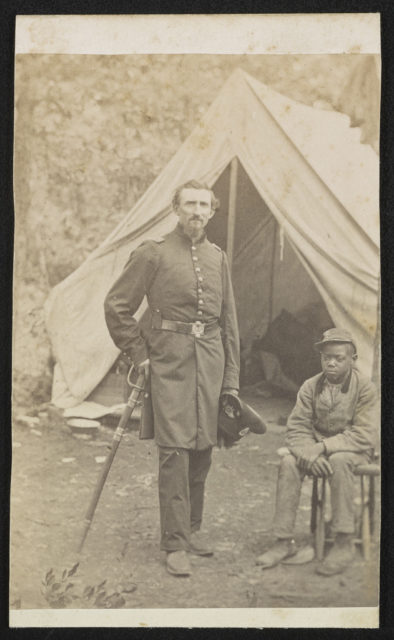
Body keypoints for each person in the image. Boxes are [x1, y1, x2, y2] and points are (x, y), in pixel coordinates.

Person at [104, 179, 240, 576]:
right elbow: (117, 307)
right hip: (169, 363)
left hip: (211, 361)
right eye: (189, 204)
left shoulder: (218, 257)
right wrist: (141, 356)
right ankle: (174, 543)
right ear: (175, 210)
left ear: (212, 211)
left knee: (203, 448)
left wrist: (230, 378)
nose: (197, 211)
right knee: (175, 452)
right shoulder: (153, 253)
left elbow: (228, 322)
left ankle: (192, 530)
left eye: (203, 205)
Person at [256, 328, 379, 576]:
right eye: (326, 358)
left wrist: (321, 449)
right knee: (289, 462)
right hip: (313, 450)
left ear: (352, 360)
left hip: (353, 450)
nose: (331, 362)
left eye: (339, 358)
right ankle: (283, 541)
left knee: (341, 460)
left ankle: (343, 540)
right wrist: (306, 454)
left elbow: (364, 434)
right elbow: (297, 428)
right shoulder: (310, 386)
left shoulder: (365, 388)